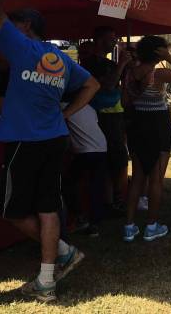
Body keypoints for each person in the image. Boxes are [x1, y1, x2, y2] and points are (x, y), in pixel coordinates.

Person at [0, 0, 100, 302]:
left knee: (13, 211)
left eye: (15, 23)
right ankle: (47, 280)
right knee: (47, 207)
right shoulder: (60, 59)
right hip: (54, 138)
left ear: (26, 27)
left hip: (25, 140)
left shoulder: (22, 48)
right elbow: (92, 84)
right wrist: (67, 114)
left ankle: (63, 251)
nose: (8, 28)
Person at [123, 36, 171, 242]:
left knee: (137, 177)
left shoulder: (130, 73)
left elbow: (125, 101)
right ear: (158, 52)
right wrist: (169, 57)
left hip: (137, 124)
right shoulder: (159, 74)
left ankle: (129, 226)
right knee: (156, 179)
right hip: (158, 125)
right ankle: (151, 226)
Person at [81, 28, 130, 211]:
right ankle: (111, 201)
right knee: (111, 159)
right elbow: (108, 85)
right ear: (99, 40)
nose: (115, 42)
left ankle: (114, 199)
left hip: (115, 115)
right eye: (111, 39)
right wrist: (122, 64)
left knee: (117, 159)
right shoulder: (91, 63)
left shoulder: (109, 63)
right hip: (102, 115)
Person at [62, 97, 107, 238]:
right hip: (101, 147)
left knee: (67, 183)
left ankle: (80, 218)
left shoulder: (62, 106)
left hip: (85, 150)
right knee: (96, 186)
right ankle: (95, 224)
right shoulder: (88, 106)